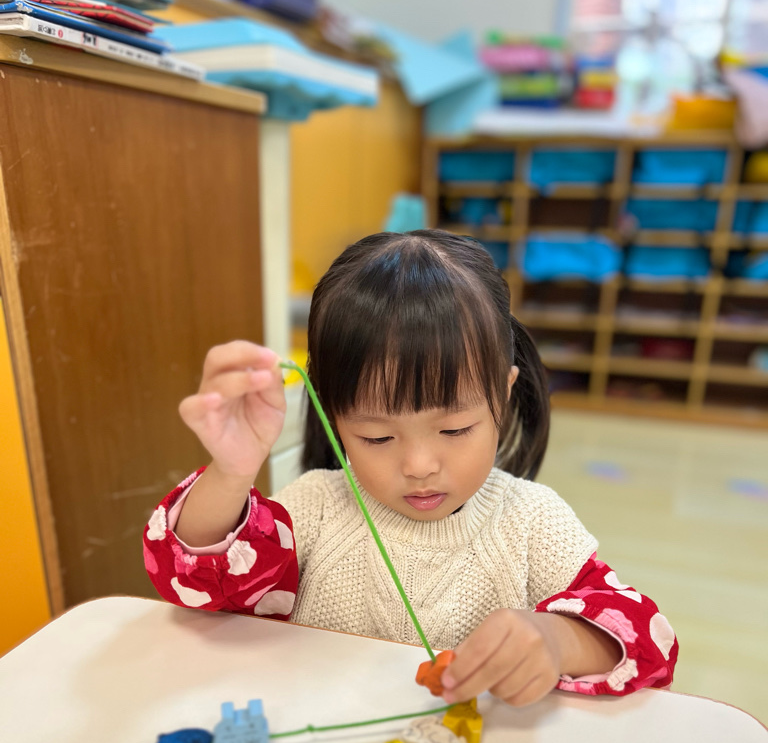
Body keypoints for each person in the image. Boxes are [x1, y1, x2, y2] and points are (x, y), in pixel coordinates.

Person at [143, 230, 677, 706]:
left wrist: (558, 640)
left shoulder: (533, 522)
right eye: (377, 437)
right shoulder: (314, 509)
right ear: (334, 417)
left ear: (503, 394)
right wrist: (232, 472)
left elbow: (648, 641)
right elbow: (193, 583)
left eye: (455, 429)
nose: (419, 465)